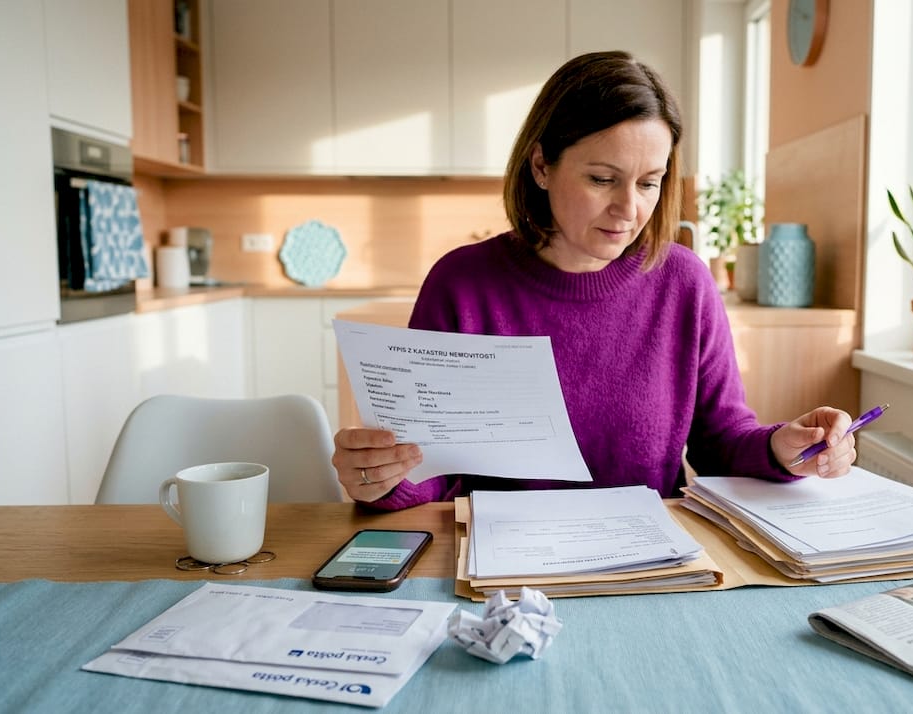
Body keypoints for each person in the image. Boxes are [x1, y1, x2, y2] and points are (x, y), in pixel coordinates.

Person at [332, 50, 856, 510]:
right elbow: (431, 469)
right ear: (541, 165)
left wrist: (780, 449)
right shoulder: (463, 285)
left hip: (649, 564)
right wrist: (382, 479)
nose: (629, 209)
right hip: (506, 573)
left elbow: (720, 442)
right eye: (602, 179)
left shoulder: (684, 282)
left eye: (649, 183)